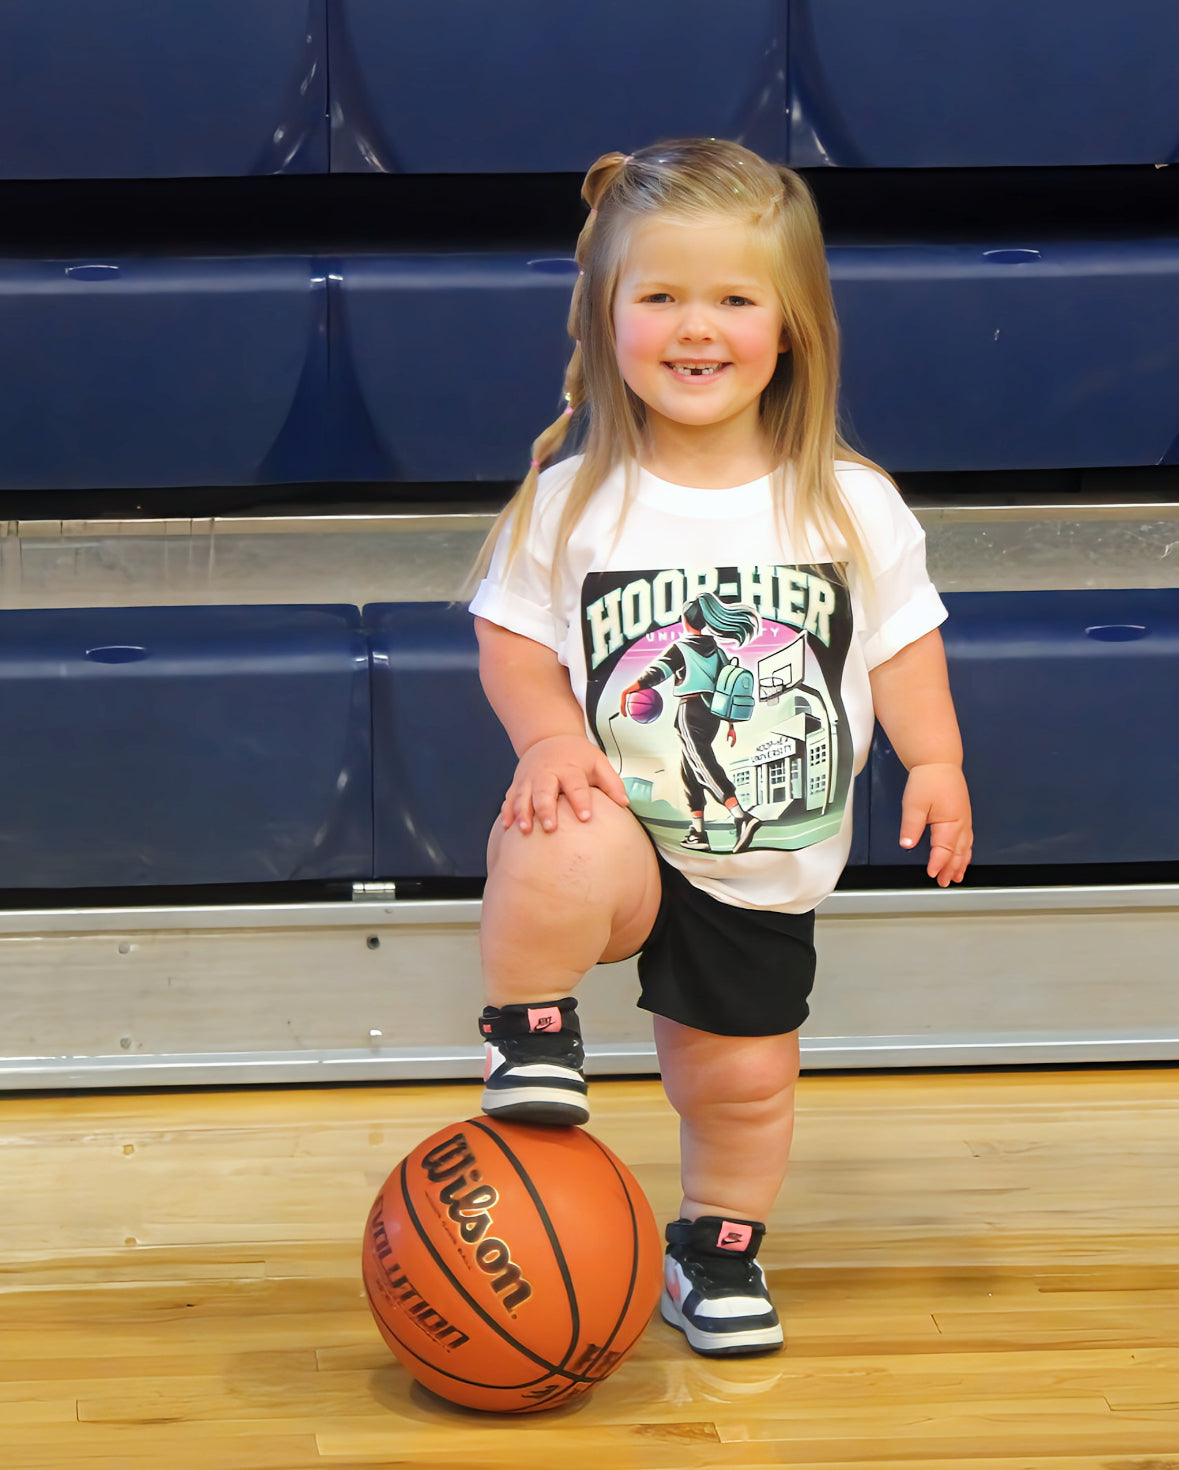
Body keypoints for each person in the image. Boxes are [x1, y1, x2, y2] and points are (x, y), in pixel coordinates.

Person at [467, 139, 972, 1358]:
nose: (699, 328)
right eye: (662, 296)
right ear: (607, 316)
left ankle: (716, 1247)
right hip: (626, 839)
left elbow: (903, 646)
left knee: (741, 1087)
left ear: (791, 326)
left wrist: (939, 763)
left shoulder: (850, 503)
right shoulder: (574, 498)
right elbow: (513, 638)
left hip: (763, 863)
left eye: (736, 299)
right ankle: (530, 1029)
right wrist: (544, 737)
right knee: (554, 828)